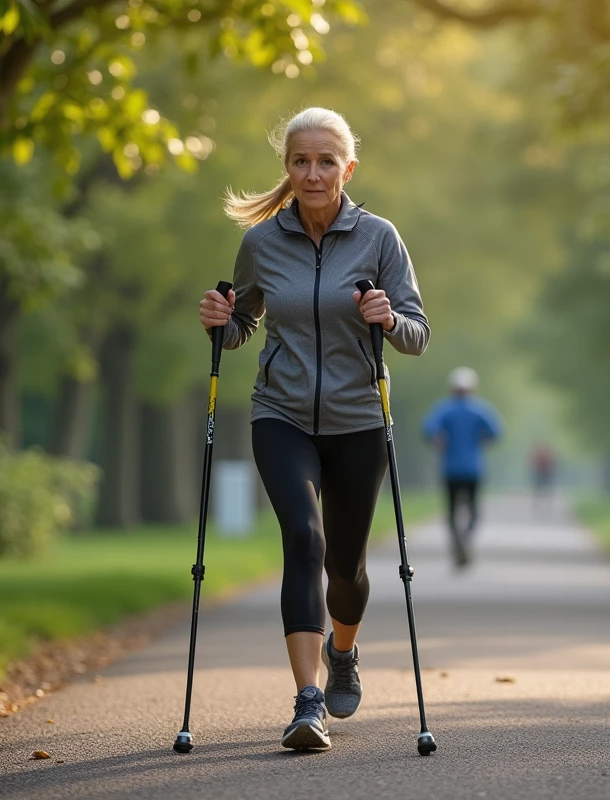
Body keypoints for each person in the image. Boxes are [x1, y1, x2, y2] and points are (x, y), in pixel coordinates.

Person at [197, 107, 429, 751]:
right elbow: (242, 325)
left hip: (359, 419)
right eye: (301, 161)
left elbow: (418, 334)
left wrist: (386, 319)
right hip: (282, 414)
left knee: (347, 566)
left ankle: (343, 653)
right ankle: (307, 701)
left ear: (347, 168)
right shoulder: (262, 243)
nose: (314, 172)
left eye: (327, 161)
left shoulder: (380, 238)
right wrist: (222, 318)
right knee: (304, 539)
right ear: (288, 169)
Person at [422, 367, 502, 568]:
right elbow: (496, 431)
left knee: (452, 509)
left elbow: (428, 428)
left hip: (450, 468)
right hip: (474, 468)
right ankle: (466, 537)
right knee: (473, 509)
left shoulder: (444, 409)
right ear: (472, 388)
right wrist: (483, 439)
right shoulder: (479, 409)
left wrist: (437, 440)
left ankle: (458, 540)